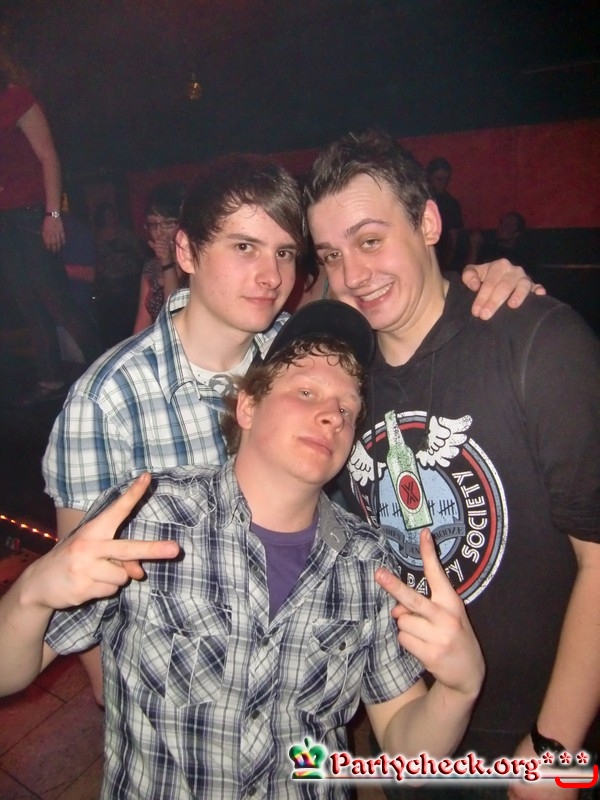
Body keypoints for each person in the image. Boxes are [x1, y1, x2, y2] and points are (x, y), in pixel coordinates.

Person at [42, 152, 540, 704]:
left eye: (284, 252)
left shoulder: (313, 351)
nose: (272, 276)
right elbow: (77, 599)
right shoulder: (106, 401)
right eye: (244, 247)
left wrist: (480, 282)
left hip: (307, 688)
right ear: (185, 251)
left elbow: (410, 315)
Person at [0, 301, 485, 799]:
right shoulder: (149, 517)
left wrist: (459, 690)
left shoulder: (368, 564)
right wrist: (31, 594)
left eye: (348, 408)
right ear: (248, 406)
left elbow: (404, 745)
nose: (332, 416)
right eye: (306, 392)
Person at [304, 130, 600, 800]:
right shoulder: (340, 384)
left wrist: (553, 746)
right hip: (412, 730)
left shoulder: (538, 341)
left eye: (370, 239)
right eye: (332, 255)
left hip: (535, 733)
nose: (353, 275)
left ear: (429, 223)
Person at [0, 48, 102, 405]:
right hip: (4, 217)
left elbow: (48, 157)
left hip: (31, 212)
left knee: (54, 298)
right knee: (26, 301)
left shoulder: (17, 98)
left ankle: (103, 374)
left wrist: (52, 214)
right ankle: (50, 378)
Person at [132, 181, 188, 333]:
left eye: (168, 223)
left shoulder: (197, 263)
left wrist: (167, 264)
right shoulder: (151, 267)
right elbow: (142, 324)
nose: (159, 233)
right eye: (153, 224)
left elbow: (174, 317)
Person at [93, 201, 145, 346]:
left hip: (129, 279)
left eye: (112, 214)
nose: (110, 218)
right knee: (114, 318)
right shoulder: (97, 237)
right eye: (107, 215)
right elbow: (95, 260)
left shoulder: (124, 233)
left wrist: (126, 255)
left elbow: (140, 253)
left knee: (131, 315)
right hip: (110, 283)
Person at [469, 211, 538, 282]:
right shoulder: (489, 248)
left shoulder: (522, 255)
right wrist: (474, 246)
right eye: (502, 223)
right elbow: (469, 273)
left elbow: (528, 279)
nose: (502, 228)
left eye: (508, 226)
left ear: (517, 233)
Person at [426, 156, 464, 272]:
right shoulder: (418, 198)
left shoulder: (450, 204)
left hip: (440, 254)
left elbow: (453, 239)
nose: (443, 184)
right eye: (439, 179)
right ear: (428, 177)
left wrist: (446, 265)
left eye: (445, 180)